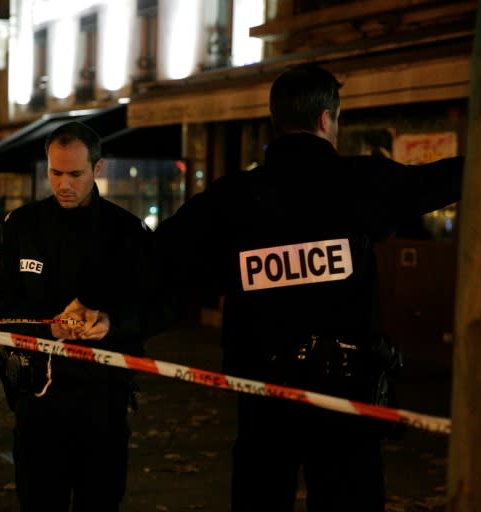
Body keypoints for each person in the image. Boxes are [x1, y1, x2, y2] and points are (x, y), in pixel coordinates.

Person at [155, 63, 464, 512]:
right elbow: (438, 183)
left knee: (260, 497)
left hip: (262, 390)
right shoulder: (361, 182)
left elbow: (165, 254)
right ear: (326, 119)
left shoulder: (233, 196)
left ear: (276, 120)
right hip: (345, 392)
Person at [0, 121, 158, 512]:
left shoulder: (127, 232)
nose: (64, 184)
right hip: (36, 399)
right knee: (39, 501)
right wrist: (47, 323)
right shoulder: (21, 226)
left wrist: (110, 322)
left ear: (98, 169)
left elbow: (155, 307)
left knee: (100, 501)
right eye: (55, 173)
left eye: (75, 173)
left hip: (103, 400)